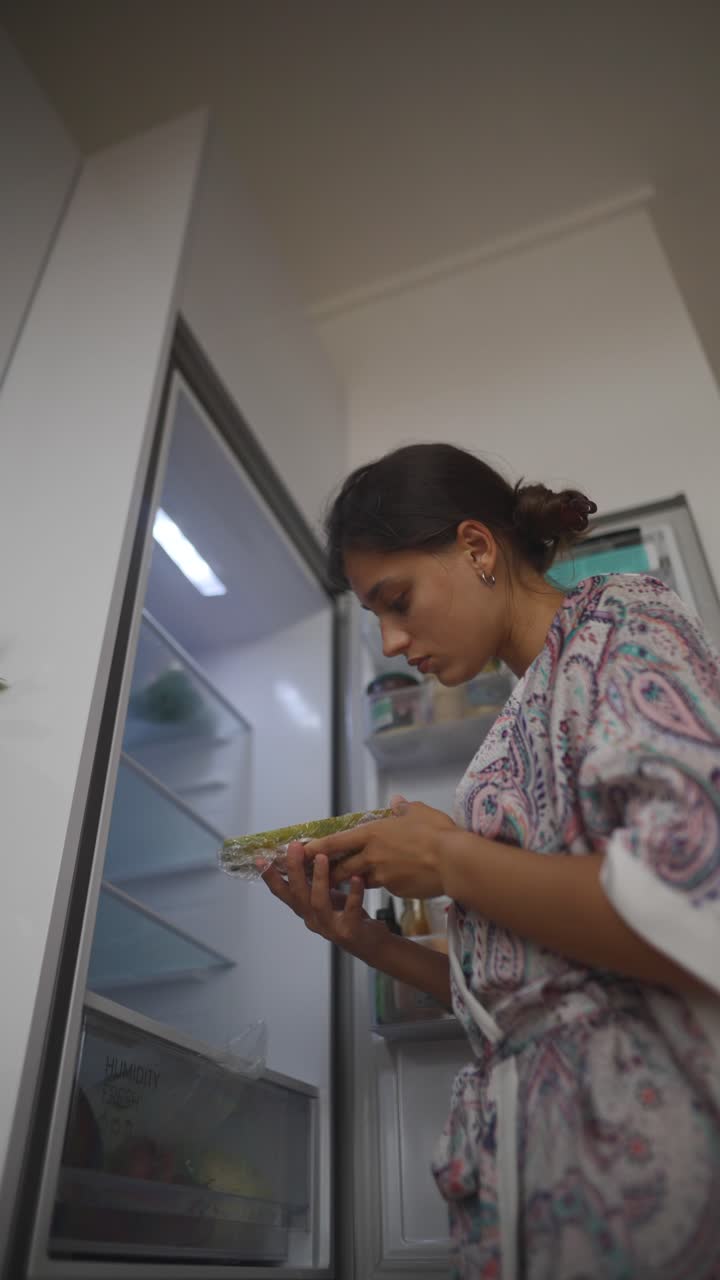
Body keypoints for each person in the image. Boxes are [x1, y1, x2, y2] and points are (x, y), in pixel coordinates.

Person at [262, 442, 720, 1279]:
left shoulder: (622, 619)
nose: (393, 640)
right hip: (537, 1175)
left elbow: (691, 903)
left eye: (395, 601)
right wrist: (368, 942)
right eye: (374, 619)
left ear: (477, 548)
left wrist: (445, 857)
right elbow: (528, 992)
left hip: (650, 1158)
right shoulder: (508, 736)